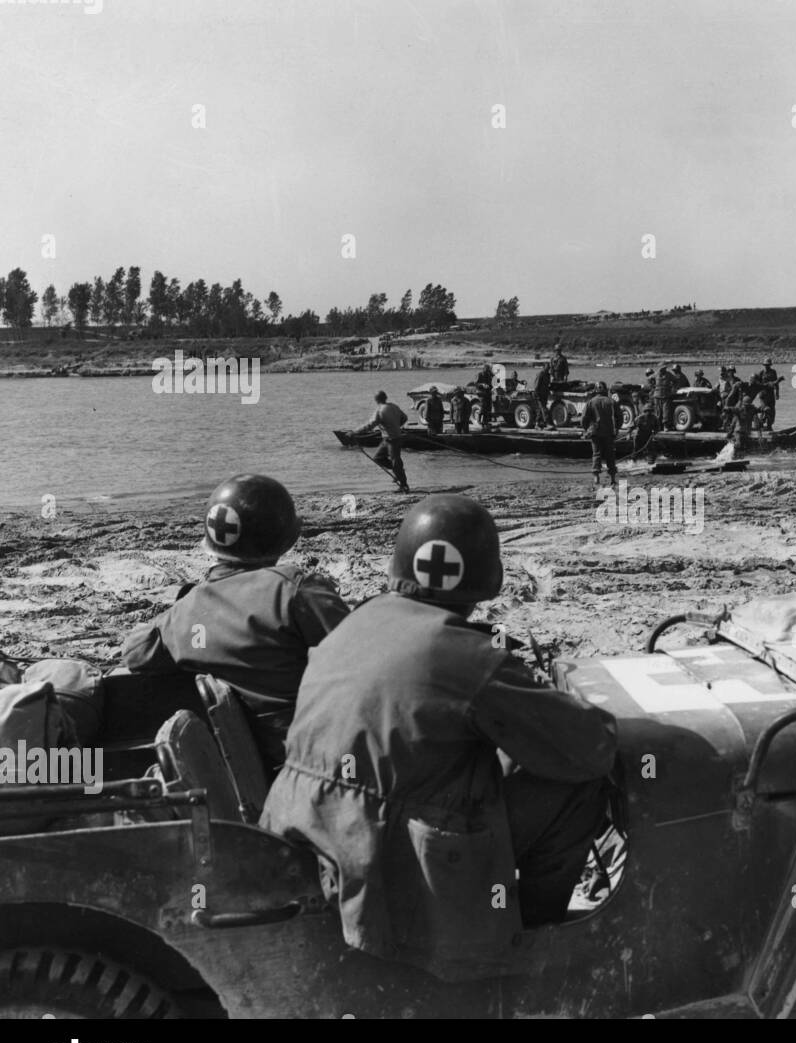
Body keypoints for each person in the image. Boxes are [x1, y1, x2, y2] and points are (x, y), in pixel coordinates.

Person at [259, 495, 617, 968]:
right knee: (578, 791)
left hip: (309, 829)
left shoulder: (359, 620)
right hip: (388, 853)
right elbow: (589, 749)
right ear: (487, 576)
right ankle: (534, 945)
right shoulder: (469, 655)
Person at [121, 474, 350, 775]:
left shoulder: (186, 611)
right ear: (286, 538)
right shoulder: (294, 591)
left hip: (254, 769)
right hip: (320, 761)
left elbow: (136, 653)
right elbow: (364, 657)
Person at [353, 390, 410, 492]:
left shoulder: (380, 410)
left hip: (393, 440)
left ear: (376, 400)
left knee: (395, 462)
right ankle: (398, 472)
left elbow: (370, 425)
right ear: (385, 398)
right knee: (378, 458)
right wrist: (397, 426)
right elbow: (405, 418)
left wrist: (355, 432)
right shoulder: (394, 406)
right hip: (389, 439)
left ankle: (404, 485)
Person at [583, 381, 619, 489]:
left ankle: (596, 479)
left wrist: (587, 429)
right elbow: (619, 416)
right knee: (610, 455)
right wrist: (617, 428)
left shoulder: (591, 402)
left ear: (596, 389)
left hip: (595, 433)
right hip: (609, 432)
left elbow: (584, 418)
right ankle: (612, 479)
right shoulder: (612, 402)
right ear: (605, 389)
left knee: (596, 454)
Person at [653, 363, 675, 431]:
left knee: (666, 412)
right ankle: (658, 426)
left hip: (666, 395)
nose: (664, 369)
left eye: (664, 368)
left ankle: (665, 426)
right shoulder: (656, 374)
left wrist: (673, 388)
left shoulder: (669, 374)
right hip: (657, 396)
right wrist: (653, 387)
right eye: (662, 368)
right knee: (658, 412)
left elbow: (675, 380)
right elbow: (649, 379)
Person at [533, 362, 554, 429]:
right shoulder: (540, 374)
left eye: (549, 368)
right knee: (544, 409)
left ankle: (537, 424)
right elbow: (536, 386)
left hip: (545, 395)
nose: (548, 369)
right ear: (544, 367)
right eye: (547, 367)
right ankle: (547, 423)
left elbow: (548, 385)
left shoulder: (548, 375)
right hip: (539, 395)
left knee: (540, 410)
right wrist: (537, 394)